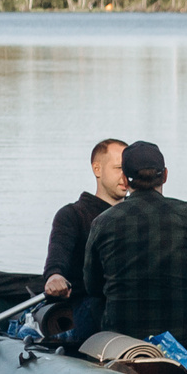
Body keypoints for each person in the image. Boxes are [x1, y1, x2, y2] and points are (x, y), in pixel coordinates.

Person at [81, 139, 187, 346]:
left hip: (122, 339)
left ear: (125, 178)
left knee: (93, 304)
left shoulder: (102, 222)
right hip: (186, 337)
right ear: (165, 175)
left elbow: (93, 286)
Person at [42, 137, 127, 339]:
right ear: (97, 169)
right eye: (118, 168)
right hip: (87, 305)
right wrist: (54, 276)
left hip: (133, 303)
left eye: (128, 170)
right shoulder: (72, 215)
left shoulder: (139, 214)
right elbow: (57, 257)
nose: (125, 177)